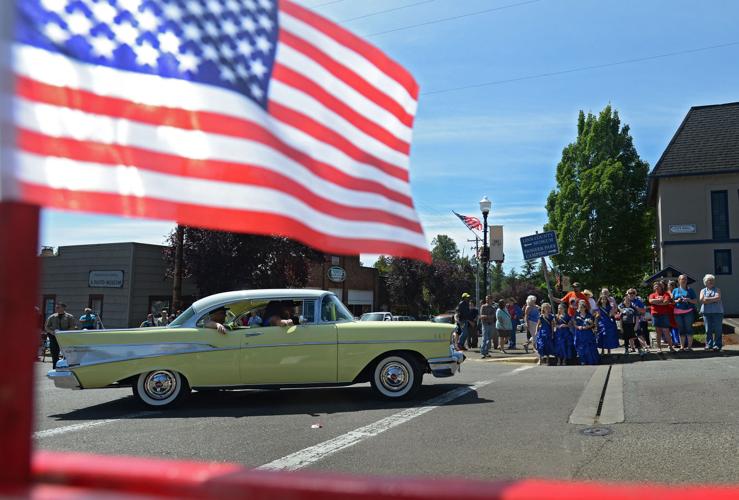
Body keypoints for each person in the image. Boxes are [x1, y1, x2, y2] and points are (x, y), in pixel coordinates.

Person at [44, 303, 78, 369]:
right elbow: (46, 327)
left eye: (58, 307)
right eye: (56, 307)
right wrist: (51, 332)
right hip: (54, 337)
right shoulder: (52, 317)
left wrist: (64, 332)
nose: (56, 309)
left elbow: (74, 326)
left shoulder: (69, 317)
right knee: (54, 354)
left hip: (65, 337)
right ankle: (54, 368)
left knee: (67, 354)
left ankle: (66, 368)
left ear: (63, 308)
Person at [672, 274, 697, 351]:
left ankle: (689, 347)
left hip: (688, 312)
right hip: (677, 313)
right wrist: (677, 300)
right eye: (682, 279)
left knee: (689, 328)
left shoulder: (690, 290)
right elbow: (671, 301)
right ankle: (682, 347)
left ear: (687, 281)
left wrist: (688, 300)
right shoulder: (675, 290)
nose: (683, 280)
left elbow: (695, 301)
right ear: (679, 280)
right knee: (681, 329)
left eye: (685, 279)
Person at [649, 281, 676, 353]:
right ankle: (659, 348)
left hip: (664, 314)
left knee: (666, 331)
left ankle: (671, 347)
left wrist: (657, 303)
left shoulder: (666, 294)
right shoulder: (652, 295)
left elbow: (666, 302)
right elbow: (651, 301)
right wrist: (659, 300)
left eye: (657, 286)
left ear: (661, 287)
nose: (656, 287)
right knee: (658, 332)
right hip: (655, 314)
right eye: (655, 286)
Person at [700, 274, 724, 352]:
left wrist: (707, 299)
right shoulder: (702, 290)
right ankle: (708, 345)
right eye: (709, 280)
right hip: (706, 313)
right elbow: (702, 300)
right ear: (705, 282)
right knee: (708, 330)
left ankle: (717, 345)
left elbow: (718, 298)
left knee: (718, 329)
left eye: (712, 280)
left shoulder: (717, 289)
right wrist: (711, 299)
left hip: (717, 312)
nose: (711, 282)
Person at [574, 300, 599, 365]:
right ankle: (583, 361)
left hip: (588, 333)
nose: (581, 308)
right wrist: (578, 327)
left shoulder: (589, 315)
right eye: (580, 307)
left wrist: (587, 327)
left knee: (589, 347)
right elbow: (574, 324)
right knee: (581, 348)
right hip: (580, 333)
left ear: (585, 308)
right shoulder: (576, 315)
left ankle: (591, 361)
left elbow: (592, 324)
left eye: (582, 307)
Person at [666, 281, 681, 347]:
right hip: (668, 311)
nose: (671, 286)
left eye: (672, 285)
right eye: (669, 285)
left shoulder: (679, 290)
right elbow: (665, 301)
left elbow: (686, 295)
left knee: (676, 326)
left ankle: (677, 341)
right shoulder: (666, 293)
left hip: (678, 310)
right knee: (670, 327)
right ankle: (673, 342)